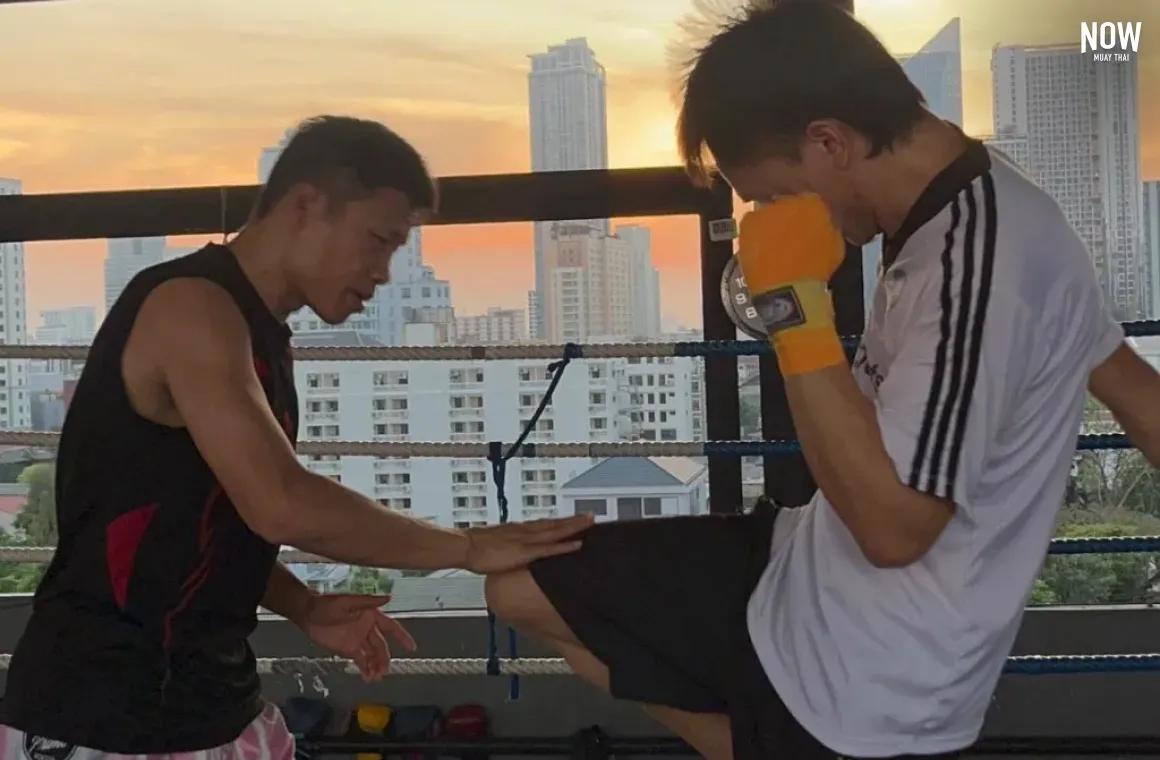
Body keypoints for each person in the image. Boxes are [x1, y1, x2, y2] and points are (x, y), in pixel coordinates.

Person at [484, 2, 1160, 759]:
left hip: (872, 673)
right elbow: (1137, 391)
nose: (770, 219)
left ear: (829, 141)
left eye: (773, 195)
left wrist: (794, 310)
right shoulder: (955, 203)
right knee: (521, 585)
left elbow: (895, 532)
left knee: (537, 593)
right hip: (802, 562)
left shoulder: (982, 265)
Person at [0, 115, 592, 759]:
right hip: (100, 715)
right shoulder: (190, 308)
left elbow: (199, 518)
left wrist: (303, 604)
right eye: (378, 240)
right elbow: (280, 501)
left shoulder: (259, 334)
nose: (384, 272)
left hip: (214, 706)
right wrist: (467, 547)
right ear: (305, 205)